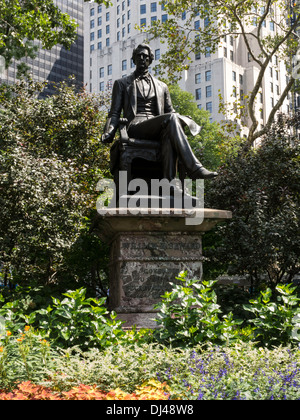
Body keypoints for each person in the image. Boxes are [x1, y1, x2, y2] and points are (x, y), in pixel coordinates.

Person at [101, 43, 218, 181]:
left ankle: (169, 183)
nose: (142, 58)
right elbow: (114, 112)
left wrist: (180, 118)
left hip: (158, 127)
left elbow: (170, 112)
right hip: (135, 127)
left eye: (145, 56)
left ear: (150, 60)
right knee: (172, 119)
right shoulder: (121, 83)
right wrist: (109, 131)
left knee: (170, 132)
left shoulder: (162, 86)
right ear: (133, 59)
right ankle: (195, 169)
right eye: (138, 56)